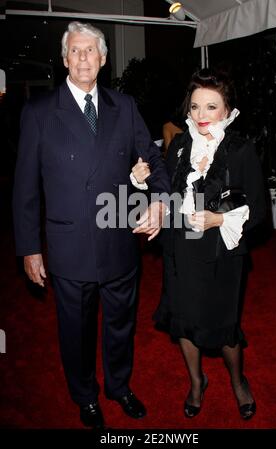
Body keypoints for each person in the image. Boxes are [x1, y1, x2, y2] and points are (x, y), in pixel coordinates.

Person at [12, 21, 169, 429]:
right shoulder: (40, 112)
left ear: (103, 58)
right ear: (65, 59)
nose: (84, 58)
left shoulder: (124, 106)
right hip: (69, 245)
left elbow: (152, 158)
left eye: (91, 51)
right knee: (76, 332)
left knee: (121, 324)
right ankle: (85, 395)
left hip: (119, 238)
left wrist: (159, 200)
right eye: (75, 51)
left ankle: (119, 386)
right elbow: (24, 187)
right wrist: (29, 247)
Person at [136, 69, 266, 420]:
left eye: (211, 107)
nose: (202, 115)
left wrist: (219, 219)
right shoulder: (179, 145)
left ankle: (238, 382)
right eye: (195, 107)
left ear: (227, 110)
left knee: (223, 327)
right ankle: (196, 382)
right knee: (183, 322)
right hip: (181, 251)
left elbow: (259, 209)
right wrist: (145, 182)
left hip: (223, 254)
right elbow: (168, 194)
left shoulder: (240, 149)